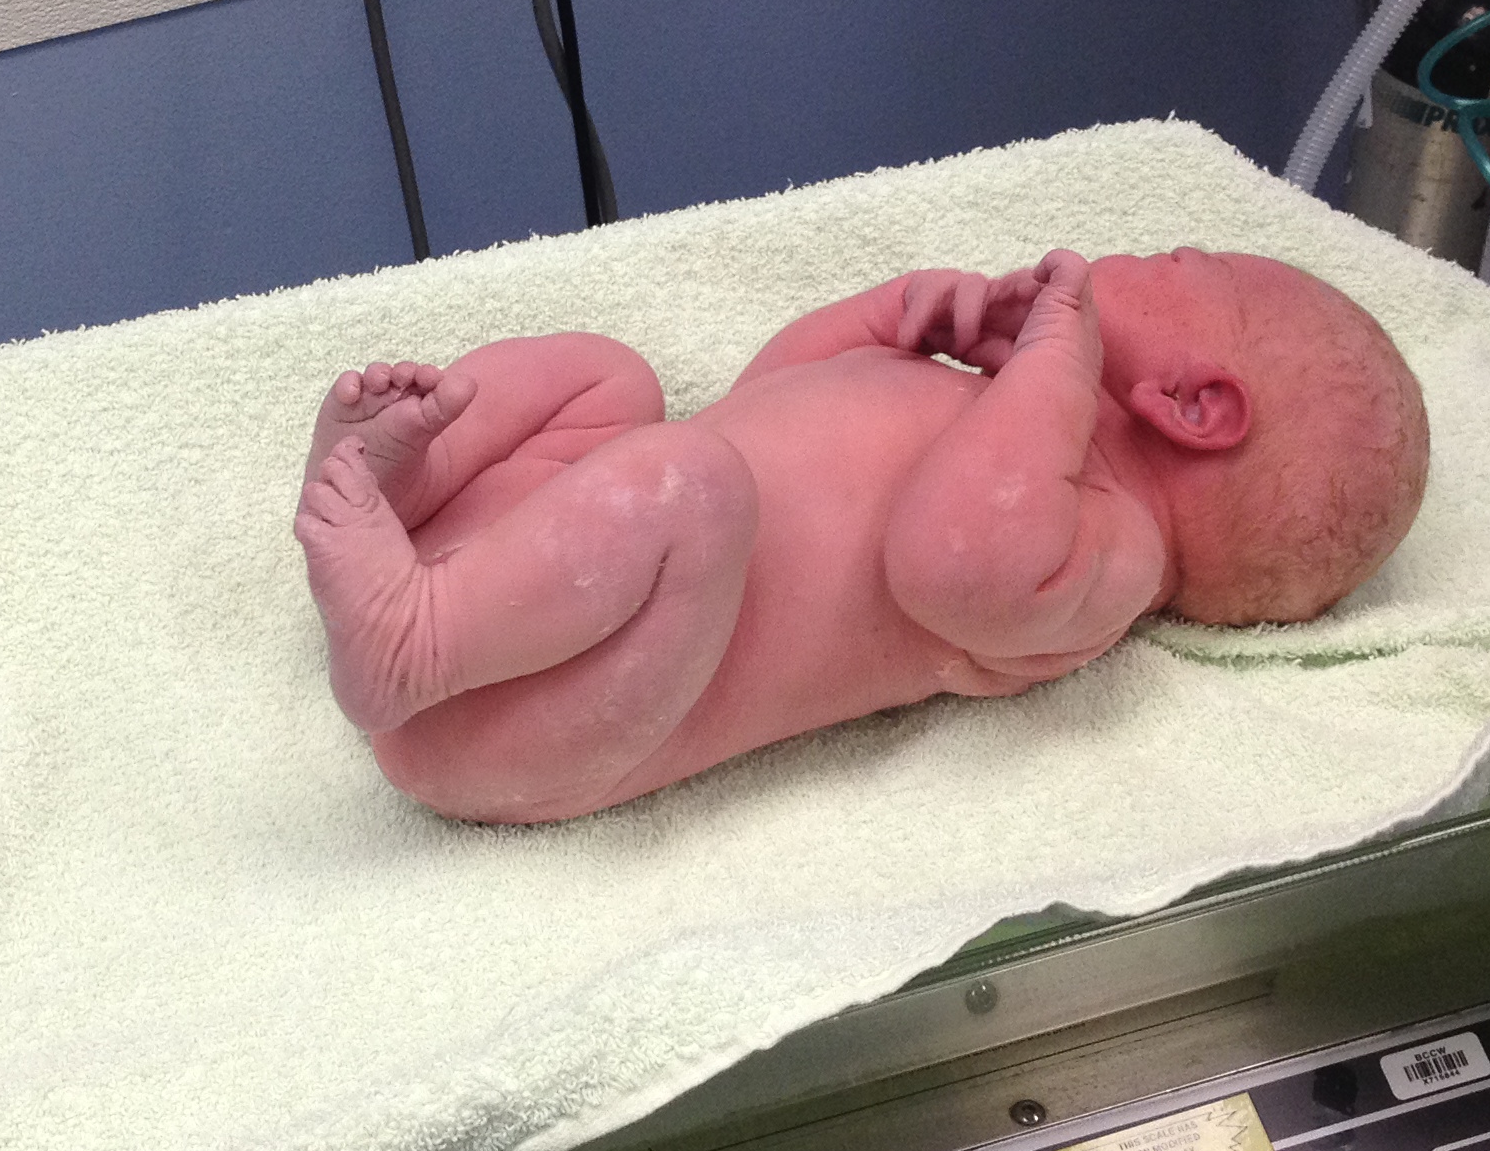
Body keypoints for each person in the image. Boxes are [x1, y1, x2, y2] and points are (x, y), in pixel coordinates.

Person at [294, 248, 1428, 824]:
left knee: (690, 484)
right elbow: (770, 404)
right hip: (556, 591)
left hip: (556, 711)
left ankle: (415, 639)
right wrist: (881, 324)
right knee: (612, 379)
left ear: (1193, 405)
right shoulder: (1019, 418)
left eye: (1182, 265)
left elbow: (953, 561)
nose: (1144, 257)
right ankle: (400, 490)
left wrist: (1051, 363)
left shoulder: (1113, 554)